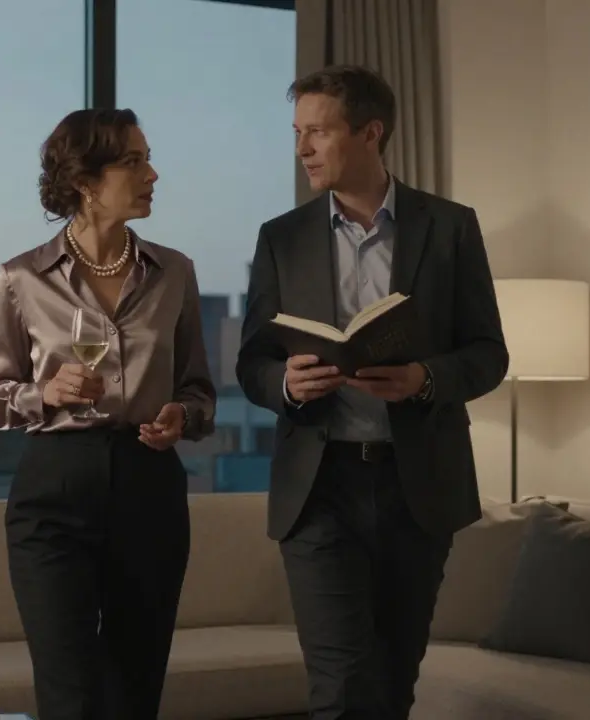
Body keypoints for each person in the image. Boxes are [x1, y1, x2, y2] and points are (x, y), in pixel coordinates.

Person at [235, 65, 508, 719]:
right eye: (297, 133)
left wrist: (424, 379)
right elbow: (253, 364)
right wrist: (286, 383)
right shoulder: (281, 237)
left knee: (392, 685)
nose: (302, 149)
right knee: (342, 688)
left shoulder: (451, 227)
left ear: (370, 133)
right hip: (319, 489)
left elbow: (488, 355)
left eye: (318, 132)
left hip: (419, 488)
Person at [0, 107, 216, 720]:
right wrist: (44, 394)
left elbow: (199, 391)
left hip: (149, 484)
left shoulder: (175, 272)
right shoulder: (21, 278)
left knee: (135, 690)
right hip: (54, 489)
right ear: (85, 181)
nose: (152, 174)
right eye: (134, 161)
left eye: (148, 159)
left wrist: (182, 418)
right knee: (70, 692)